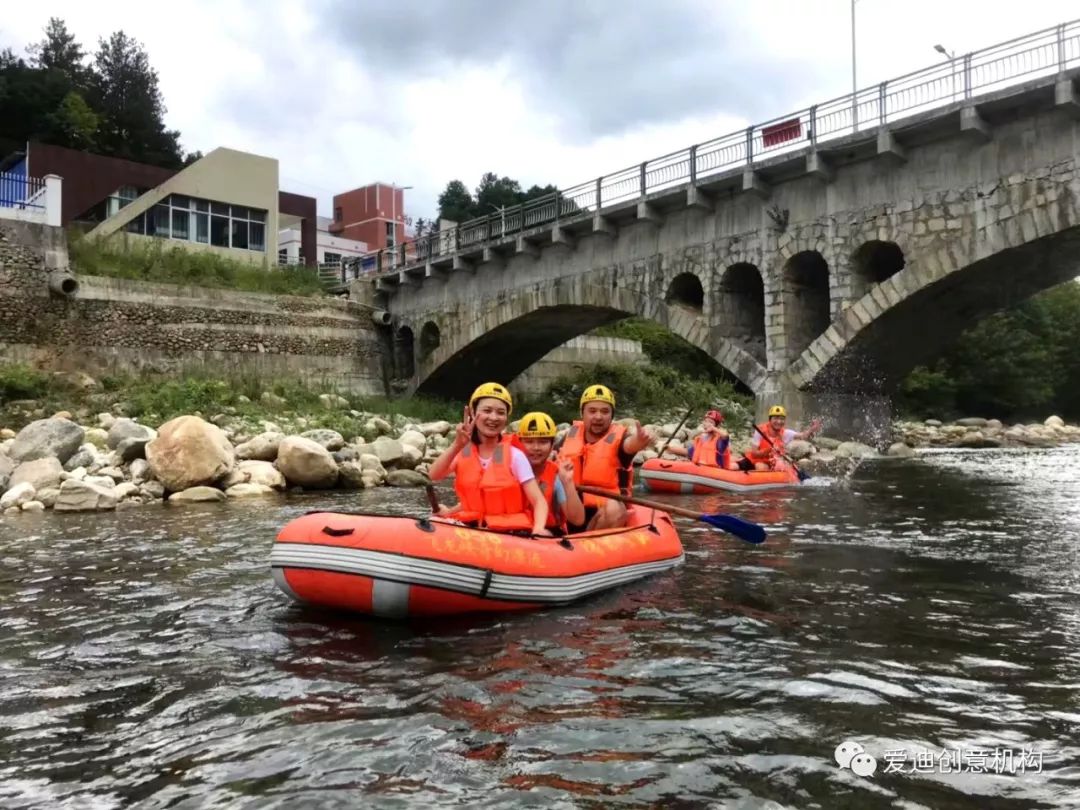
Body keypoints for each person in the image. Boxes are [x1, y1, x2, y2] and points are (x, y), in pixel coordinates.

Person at [428, 382, 552, 535]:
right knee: (434, 522)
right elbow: (433, 475)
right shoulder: (462, 452)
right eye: (487, 410)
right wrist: (456, 445)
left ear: (506, 418)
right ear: (473, 413)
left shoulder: (515, 456)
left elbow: (538, 501)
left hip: (508, 532)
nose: (493, 417)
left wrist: (538, 528)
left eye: (500, 413)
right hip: (471, 527)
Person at [555, 384, 654, 532]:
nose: (598, 417)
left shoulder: (620, 439)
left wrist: (639, 442)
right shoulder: (568, 437)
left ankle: (588, 546)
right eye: (592, 411)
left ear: (612, 416)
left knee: (615, 507)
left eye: (605, 411)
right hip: (570, 509)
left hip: (601, 515)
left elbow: (629, 445)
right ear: (582, 413)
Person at [516, 411, 586, 534]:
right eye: (529, 441)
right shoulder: (509, 468)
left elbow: (577, 520)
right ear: (519, 443)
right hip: (514, 533)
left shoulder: (556, 476)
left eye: (543, 442)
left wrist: (568, 482)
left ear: (552, 445)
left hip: (548, 536)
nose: (536, 447)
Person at [738, 405, 822, 472]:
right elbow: (754, 454)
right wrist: (768, 450)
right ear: (770, 420)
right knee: (754, 466)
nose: (779, 422)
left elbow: (803, 436)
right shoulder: (760, 431)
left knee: (771, 466)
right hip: (756, 459)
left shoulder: (785, 433)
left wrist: (812, 429)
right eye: (776, 418)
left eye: (782, 419)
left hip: (772, 463)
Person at [665, 409, 737, 470]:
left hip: (715, 472)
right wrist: (670, 449)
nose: (707, 424)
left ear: (716, 426)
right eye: (706, 421)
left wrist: (714, 428)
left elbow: (725, 436)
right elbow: (688, 452)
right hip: (700, 471)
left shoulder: (719, 440)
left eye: (711, 422)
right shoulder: (700, 439)